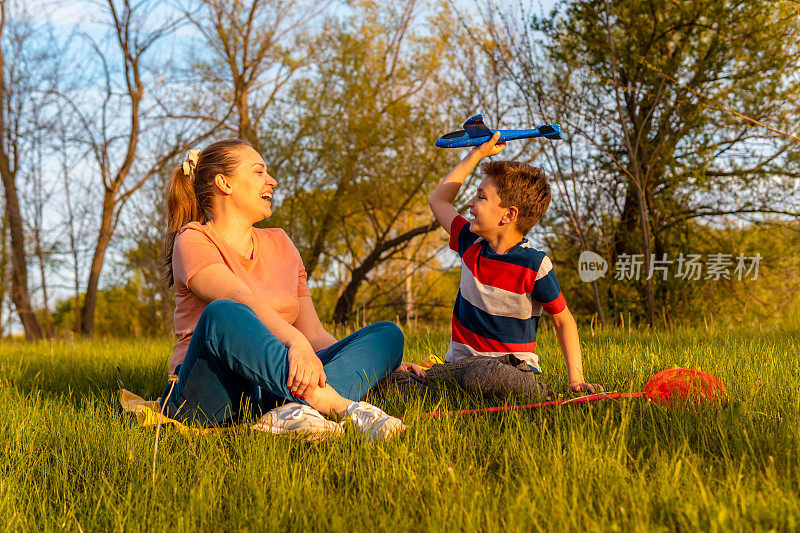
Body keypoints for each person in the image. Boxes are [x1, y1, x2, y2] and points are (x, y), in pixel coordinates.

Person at [160, 139, 424, 440]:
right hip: (214, 390)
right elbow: (239, 297)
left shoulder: (281, 242)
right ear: (224, 183)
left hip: (275, 384)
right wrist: (295, 343)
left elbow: (314, 335)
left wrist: (371, 359)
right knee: (224, 312)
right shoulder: (192, 239)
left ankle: (292, 411)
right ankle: (332, 404)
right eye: (259, 172)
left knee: (386, 335)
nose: (271, 181)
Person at [427, 132, 602, 394]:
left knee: (484, 375)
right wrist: (477, 154)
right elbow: (439, 200)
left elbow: (563, 320)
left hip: (509, 371)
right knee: (397, 377)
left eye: (481, 197)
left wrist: (575, 379)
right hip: (457, 369)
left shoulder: (534, 264)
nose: (470, 203)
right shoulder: (469, 243)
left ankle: (542, 397)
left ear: (508, 215)